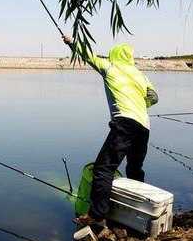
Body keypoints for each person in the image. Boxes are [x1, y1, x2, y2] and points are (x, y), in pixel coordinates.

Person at [62, 35, 158, 227]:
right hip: (144, 126)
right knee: (134, 169)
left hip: (124, 124)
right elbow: (154, 97)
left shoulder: (110, 67)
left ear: (114, 55)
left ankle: (97, 215)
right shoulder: (141, 75)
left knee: (103, 169)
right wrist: (142, 103)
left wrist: (73, 42)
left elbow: (88, 56)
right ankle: (139, 212)